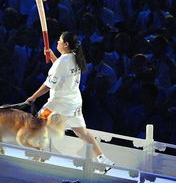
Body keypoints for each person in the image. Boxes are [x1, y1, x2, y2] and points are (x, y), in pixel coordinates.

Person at [26, 31, 115, 168]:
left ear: (66, 44)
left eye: (59, 41)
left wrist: (33, 97)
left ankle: (39, 154)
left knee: (37, 122)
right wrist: (52, 57)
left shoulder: (63, 61)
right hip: (74, 104)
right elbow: (63, 69)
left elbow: (49, 84)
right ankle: (103, 160)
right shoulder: (74, 57)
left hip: (57, 104)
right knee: (82, 132)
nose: (57, 43)